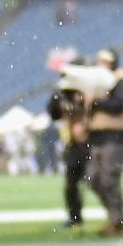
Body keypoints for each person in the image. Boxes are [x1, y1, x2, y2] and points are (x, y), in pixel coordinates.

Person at [84, 49, 123, 237]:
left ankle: (116, 218)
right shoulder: (95, 83)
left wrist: (96, 103)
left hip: (115, 134)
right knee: (92, 177)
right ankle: (114, 213)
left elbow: (119, 104)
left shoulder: (120, 80)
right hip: (97, 134)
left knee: (108, 178)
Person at [46, 76, 92, 228]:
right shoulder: (65, 96)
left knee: (96, 181)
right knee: (71, 184)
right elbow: (54, 113)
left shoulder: (88, 92)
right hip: (73, 144)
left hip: (88, 141)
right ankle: (75, 216)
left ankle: (114, 218)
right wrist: (57, 96)